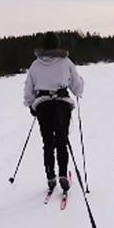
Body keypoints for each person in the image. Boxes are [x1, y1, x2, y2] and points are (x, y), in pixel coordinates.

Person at [23, 32, 84, 193]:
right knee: (62, 140)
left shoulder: (35, 65)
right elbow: (77, 86)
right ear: (57, 45)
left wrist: (30, 104)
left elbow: (28, 88)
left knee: (48, 142)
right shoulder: (66, 62)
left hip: (43, 105)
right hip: (62, 104)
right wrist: (79, 88)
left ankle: (50, 175)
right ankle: (63, 173)